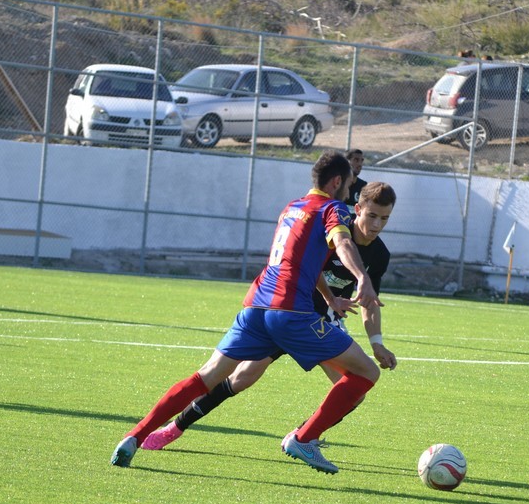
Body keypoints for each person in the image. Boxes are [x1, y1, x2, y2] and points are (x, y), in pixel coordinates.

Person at [110, 150, 382, 475]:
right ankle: (304, 438)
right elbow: (343, 243)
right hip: (292, 312)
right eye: (349, 185)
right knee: (367, 372)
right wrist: (362, 277)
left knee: (206, 377)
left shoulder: (292, 208)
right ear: (337, 182)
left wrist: (330, 298)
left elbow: (299, 262)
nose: (350, 191)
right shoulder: (331, 208)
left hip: (256, 306)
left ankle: (134, 436)